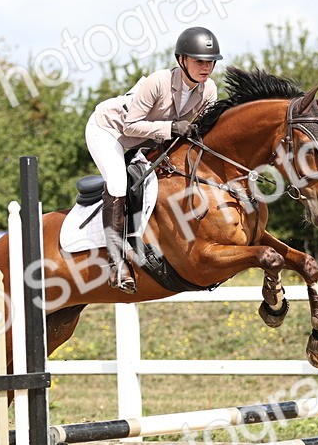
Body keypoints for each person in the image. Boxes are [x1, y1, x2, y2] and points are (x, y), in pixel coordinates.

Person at [86, 26, 222, 293]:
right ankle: (116, 263)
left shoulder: (209, 91)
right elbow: (130, 126)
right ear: (181, 60)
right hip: (110, 131)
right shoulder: (158, 81)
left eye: (210, 62)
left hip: (146, 141)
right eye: (199, 61)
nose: (206, 67)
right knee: (116, 182)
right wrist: (171, 127)